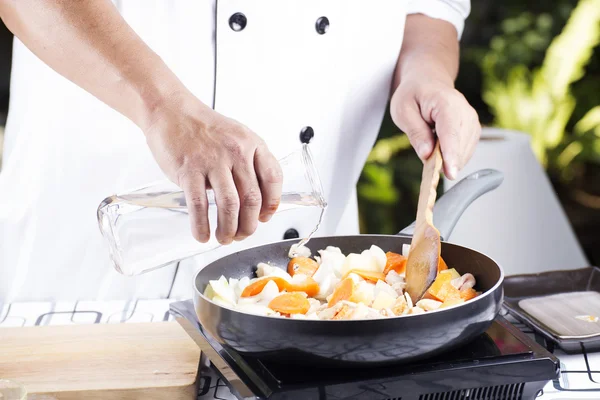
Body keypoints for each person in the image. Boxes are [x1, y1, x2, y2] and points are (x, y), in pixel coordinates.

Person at [0, 0, 480, 303]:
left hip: (319, 295)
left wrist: (426, 74)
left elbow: (431, 9)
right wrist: (164, 107)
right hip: (88, 279)